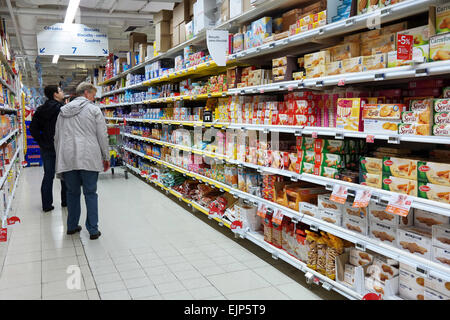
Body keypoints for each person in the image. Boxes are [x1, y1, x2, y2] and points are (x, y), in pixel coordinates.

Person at [55, 82, 110, 239]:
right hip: (89, 157)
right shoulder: (94, 110)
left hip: (68, 158)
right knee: (90, 193)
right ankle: (93, 230)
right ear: (86, 93)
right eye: (93, 95)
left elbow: (57, 138)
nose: (94, 98)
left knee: (72, 193)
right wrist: (106, 157)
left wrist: (60, 158)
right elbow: (102, 136)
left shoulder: (62, 112)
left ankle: (71, 226)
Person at [29, 85, 67, 212]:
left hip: (46, 147)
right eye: (61, 91)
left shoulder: (40, 110)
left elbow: (32, 129)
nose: (63, 92)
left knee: (48, 175)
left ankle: (46, 205)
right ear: (55, 94)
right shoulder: (62, 109)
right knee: (64, 174)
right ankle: (65, 202)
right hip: (61, 145)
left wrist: (41, 140)